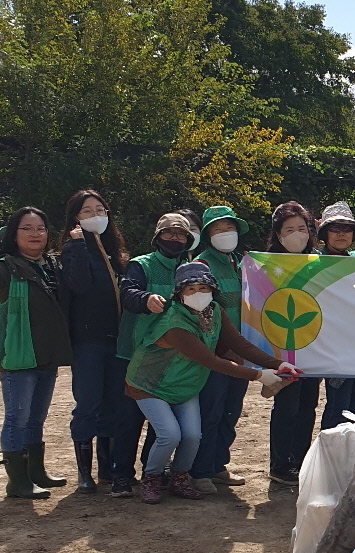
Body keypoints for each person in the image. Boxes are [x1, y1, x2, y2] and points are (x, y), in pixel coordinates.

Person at [125, 262, 296, 504]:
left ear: (213, 290)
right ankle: (151, 477)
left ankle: (179, 479)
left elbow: (239, 344)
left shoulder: (215, 311)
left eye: (203, 287)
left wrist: (276, 364)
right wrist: (258, 375)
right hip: (150, 384)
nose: (198, 294)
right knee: (170, 435)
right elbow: (210, 360)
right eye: (190, 289)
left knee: (194, 435)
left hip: (185, 385)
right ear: (179, 293)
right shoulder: (174, 323)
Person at [0, 210, 72, 498]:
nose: (35, 233)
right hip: (19, 356)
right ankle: (17, 482)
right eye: (26, 228)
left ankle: (35, 473)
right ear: (14, 234)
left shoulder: (53, 265)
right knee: (17, 418)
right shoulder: (7, 266)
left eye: (40, 228)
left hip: (47, 354)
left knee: (36, 419)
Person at [112, 213, 198, 496]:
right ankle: (122, 477)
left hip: (169, 359)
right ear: (157, 236)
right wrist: (144, 299)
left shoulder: (190, 269)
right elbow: (128, 293)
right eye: (168, 233)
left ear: (188, 240)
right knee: (128, 421)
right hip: (133, 355)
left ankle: (155, 473)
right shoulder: (142, 264)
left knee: (160, 425)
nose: (174, 239)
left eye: (180, 234)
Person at [58, 189, 128, 493]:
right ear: (75, 218)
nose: (95, 215)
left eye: (100, 209)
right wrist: (77, 245)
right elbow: (80, 285)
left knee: (114, 405)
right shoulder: (72, 250)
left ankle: (108, 469)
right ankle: (84, 473)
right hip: (87, 341)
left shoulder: (115, 253)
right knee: (88, 404)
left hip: (116, 341)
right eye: (87, 211)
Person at [263, 201, 324, 487]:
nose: (297, 234)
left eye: (302, 228)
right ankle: (279, 464)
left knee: (308, 406)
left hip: (315, 347)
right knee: (286, 406)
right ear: (278, 234)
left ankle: (299, 462)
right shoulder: (264, 264)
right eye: (289, 229)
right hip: (283, 349)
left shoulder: (322, 263)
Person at [190, 205, 250, 490]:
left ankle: (218, 465)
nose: (225, 233)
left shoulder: (243, 262)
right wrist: (224, 347)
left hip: (243, 351)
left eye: (230, 228)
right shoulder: (202, 264)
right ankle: (200, 470)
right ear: (207, 235)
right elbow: (201, 308)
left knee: (231, 409)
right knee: (211, 410)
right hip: (216, 352)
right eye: (218, 229)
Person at [316, 202, 355, 429]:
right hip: (332, 347)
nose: (341, 234)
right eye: (334, 228)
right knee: (338, 405)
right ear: (324, 233)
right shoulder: (310, 263)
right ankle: (330, 457)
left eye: (346, 229)